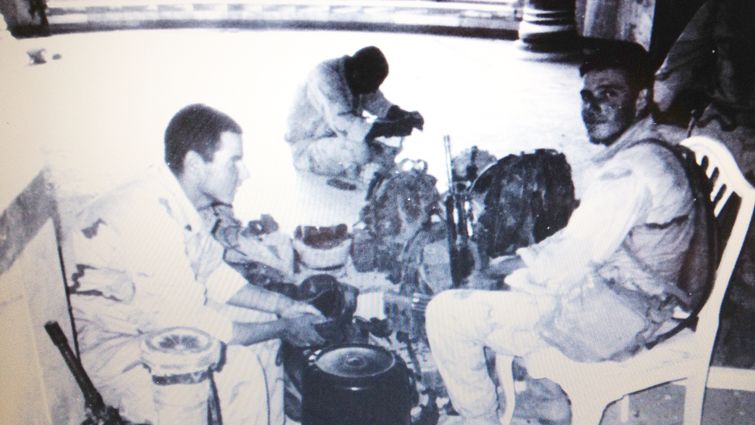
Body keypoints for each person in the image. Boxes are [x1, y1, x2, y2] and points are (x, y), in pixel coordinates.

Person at [425, 43, 711, 424]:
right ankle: (550, 402)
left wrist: (497, 269)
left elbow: (564, 265)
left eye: (609, 95)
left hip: (624, 318)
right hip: (644, 298)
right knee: (525, 271)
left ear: (641, 99)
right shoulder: (651, 150)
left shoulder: (630, 175)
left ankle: (479, 418)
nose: (592, 109)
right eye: (587, 97)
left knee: (447, 313)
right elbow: (579, 247)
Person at [67, 104, 326, 425]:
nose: (244, 173)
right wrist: (285, 328)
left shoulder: (181, 200)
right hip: (117, 352)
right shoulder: (148, 218)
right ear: (194, 164)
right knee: (241, 369)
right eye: (234, 161)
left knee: (264, 321)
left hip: (152, 323)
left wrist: (283, 307)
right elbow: (196, 324)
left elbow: (215, 276)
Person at [285, 45, 424, 181]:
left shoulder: (357, 74)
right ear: (357, 75)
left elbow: (377, 102)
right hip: (307, 147)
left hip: (334, 137)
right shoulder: (324, 77)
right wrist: (392, 128)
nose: (372, 90)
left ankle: (367, 169)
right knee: (359, 151)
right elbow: (343, 123)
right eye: (372, 86)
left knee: (388, 145)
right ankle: (364, 172)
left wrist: (404, 115)